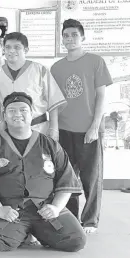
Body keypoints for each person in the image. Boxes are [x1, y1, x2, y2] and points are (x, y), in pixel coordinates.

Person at [0, 92, 86, 252]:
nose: (17, 114)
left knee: (76, 240)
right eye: (11, 111)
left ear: (31, 113)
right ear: (4, 116)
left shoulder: (50, 144)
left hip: (45, 209)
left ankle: (35, 231)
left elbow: (66, 181)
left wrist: (55, 208)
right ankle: (26, 232)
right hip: (10, 210)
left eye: (23, 110)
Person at [51, 19, 113, 235]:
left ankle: (90, 221)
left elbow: (102, 96)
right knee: (66, 178)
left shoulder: (96, 61)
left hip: (89, 130)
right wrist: (55, 129)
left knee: (91, 178)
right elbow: (55, 102)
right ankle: (70, 217)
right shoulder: (56, 67)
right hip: (65, 130)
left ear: (83, 37)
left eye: (74, 35)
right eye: (66, 35)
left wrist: (95, 126)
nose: (70, 39)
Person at [0, 32, 66, 138]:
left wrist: (54, 128)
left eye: (17, 47)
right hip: (8, 132)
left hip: (38, 129)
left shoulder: (39, 70)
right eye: (8, 47)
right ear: (3, 50)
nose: (11, 51)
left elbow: (53, 102)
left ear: (26, 50)